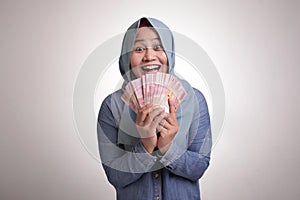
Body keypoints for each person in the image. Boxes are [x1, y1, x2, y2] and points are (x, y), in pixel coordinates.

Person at [97, 17, 212, 200]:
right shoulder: (112, 106)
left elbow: (198, 168)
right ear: (127, 56)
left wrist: (167, 148)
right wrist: (146, 145)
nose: (149, 56)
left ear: (169, 53)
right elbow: (116, 177)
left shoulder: (195, 100)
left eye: (158, 47)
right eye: (139, 48)